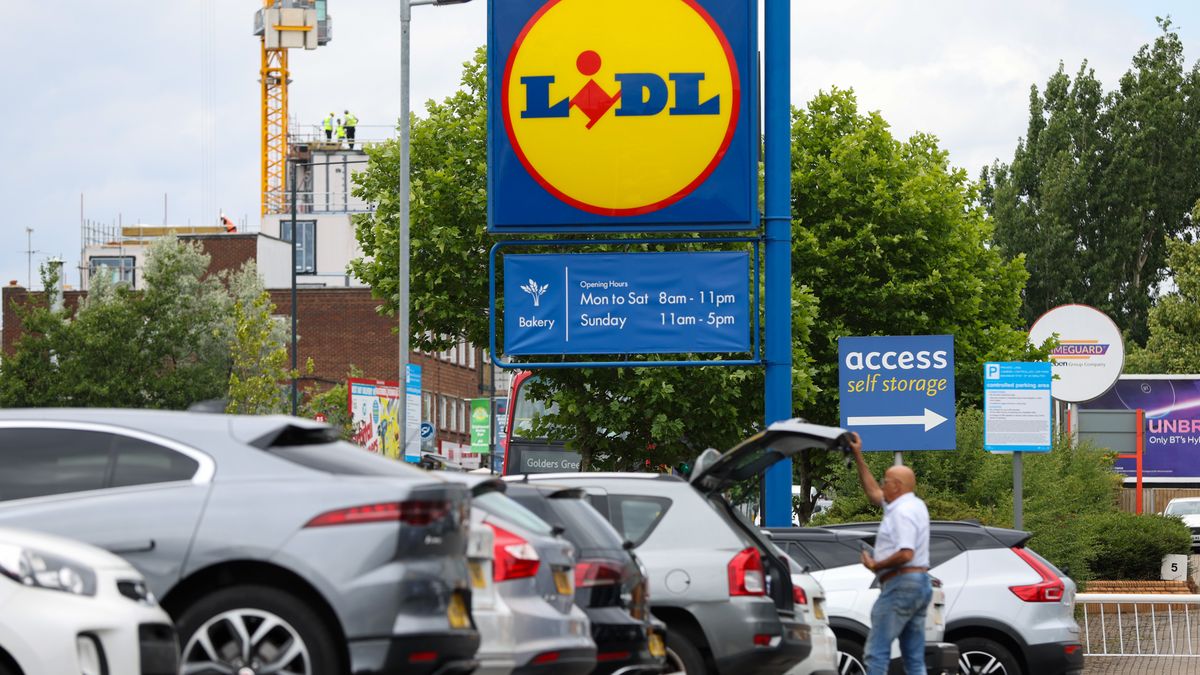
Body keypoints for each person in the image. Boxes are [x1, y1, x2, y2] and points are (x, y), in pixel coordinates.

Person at [848, 432, 931, 675]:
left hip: (901, 584)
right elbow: (874, 493)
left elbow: (906, 553)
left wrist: (876, 565)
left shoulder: (901, 513)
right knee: (914, 658)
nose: (883, 484)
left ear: (897, 486)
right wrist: (858, 455)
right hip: (919, 585)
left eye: (886, 481)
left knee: (877, 653)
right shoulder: (913, 505)